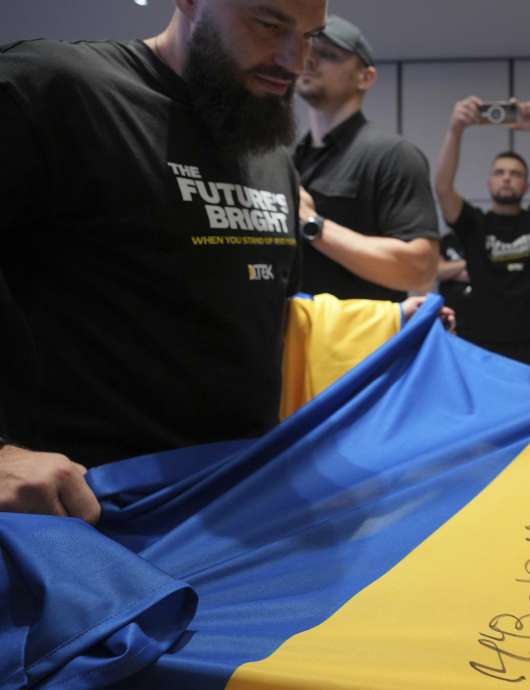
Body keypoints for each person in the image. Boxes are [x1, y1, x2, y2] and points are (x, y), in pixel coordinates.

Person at [0, 0, 327, 521]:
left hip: (240, 512)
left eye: (312, 36)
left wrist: (391, 328)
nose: (294, 60)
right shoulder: (54, 91)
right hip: (86, 524)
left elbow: (265, 316)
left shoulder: (267, 146)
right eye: (270, 24)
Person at [294, 15, 439, 301]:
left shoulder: (393, 156)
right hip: (292, 340)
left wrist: (312, 223)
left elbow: (419, 270)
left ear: (366, 77)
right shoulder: (284, 158)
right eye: (306, 49)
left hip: (364, 342)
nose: (309, 60)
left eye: (328, 55)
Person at [434, 96, 530, 370]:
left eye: (515, 174)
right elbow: (443, 187)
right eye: (499, 172)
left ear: (526, 184)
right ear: (489, 182)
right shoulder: (473, 223)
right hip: (479, 339)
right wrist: (455, 130)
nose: (507, 177)